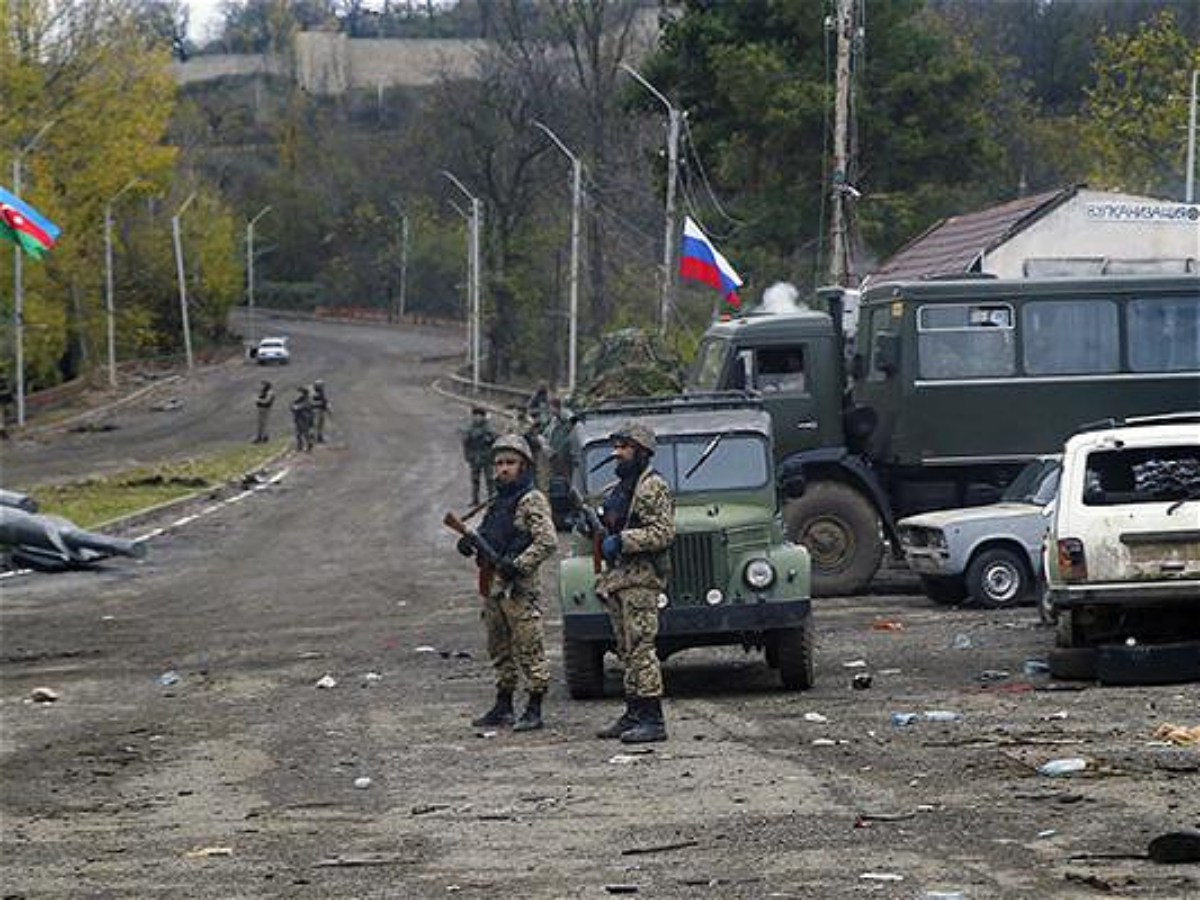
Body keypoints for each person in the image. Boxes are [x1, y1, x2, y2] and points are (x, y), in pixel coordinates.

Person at [457, 434, 557, 732]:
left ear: (524, 466)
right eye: (499, 463)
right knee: (499, 648)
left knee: (530, 648)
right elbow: (490, 535)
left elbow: (547, 541)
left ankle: (534, 708)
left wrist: (518, 565)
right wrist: (469, 543)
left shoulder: (531, 499)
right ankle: (503, 706)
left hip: (520, 590)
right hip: (495, 587)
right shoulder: (499, 500)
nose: (503, 469)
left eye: (510, 463)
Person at [595, 421, 675, 743]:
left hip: (641, 579)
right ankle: (633, 713)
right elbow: (612, 523)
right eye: (616, 448)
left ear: (641, 452)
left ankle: (653, 720)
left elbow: (663, 532)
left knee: (642, 648)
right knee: (626, 650)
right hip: (619, 579)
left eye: (624, 448)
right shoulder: (623, 488)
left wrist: (623, 540)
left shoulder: (652, 486)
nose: (617, 454)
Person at [461, 407, 497, 505]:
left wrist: (489, 438)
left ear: (483, 417)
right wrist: (467, 456)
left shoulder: (488, 428)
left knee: (490, 480)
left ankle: (492, 499)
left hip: (487, 457)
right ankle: (475, 500)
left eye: (479, 416)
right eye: (475, 416)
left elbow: (495, 439)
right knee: (475, 480)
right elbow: (465, 443)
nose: (476, 418)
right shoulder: (470, 428)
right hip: (474, 457)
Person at [290, 386, 314, 452]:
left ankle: (309, 445)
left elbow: (302, 407)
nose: (298, 394)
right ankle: (300, 446)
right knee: (298, 433)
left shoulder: (307, 399)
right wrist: (294, 407)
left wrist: (296, 407)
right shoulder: (298, 400)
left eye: (299, 392)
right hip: (298, 418)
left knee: (305, 433)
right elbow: (292, 406)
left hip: (304, 418)